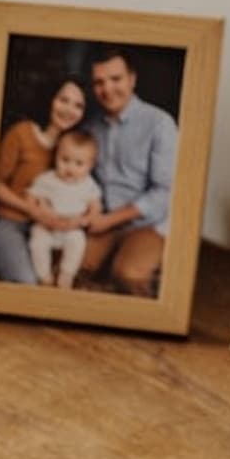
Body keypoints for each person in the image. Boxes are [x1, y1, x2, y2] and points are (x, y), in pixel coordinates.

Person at [75, 48, 180, 296]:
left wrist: (108, 221)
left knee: (128, 274)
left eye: (116, 79)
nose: (107, 89)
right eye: (99, 82)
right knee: (70, 265)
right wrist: (92, 214)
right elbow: (88, 182)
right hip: (104, 220)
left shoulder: (159, 123)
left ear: (132, 79)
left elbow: (164, 193)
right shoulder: (90, 127)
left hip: (149, 223)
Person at [0, 78, 87, 285]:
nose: (69, 110)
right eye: (63, 100)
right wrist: (32, 210)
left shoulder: (72, 150)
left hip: (48, 231)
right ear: (50, 99)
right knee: (27, 283)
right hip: (11, 223)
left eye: (78, 105)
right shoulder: (22, 133)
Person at [23, 129, 104, 287]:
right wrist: (39, 212)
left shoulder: (88, 184)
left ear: (90, 165)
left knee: (78, 241)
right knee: (37, 242)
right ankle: (44, 276)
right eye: (65, 160)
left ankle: (66, 275)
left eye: (79, 163)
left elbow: (95, 205)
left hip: (71, 226)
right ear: (56, 157)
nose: (70, 168)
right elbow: (30, 196)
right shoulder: (47, 179)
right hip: (46, 224)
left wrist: (84, 220)